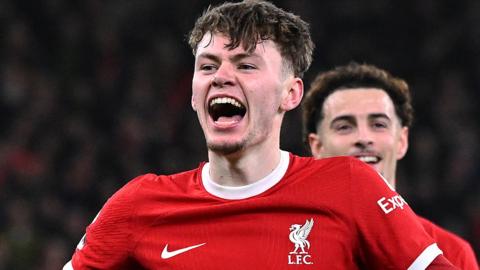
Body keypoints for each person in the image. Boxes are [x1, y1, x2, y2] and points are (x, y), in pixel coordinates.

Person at [64, 1, 458, 269]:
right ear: (193, 93)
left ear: (291, 93)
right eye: (208, 65)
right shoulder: (138, 206)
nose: (221, 76)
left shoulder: (351, 188)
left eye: (246, 65)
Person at [302, 62, 479, 269]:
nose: (363, 138)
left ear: (402, 141)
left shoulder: (451, 252)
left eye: (378, 124)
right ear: (317, 146)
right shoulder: (288, 241)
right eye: (344, 126)